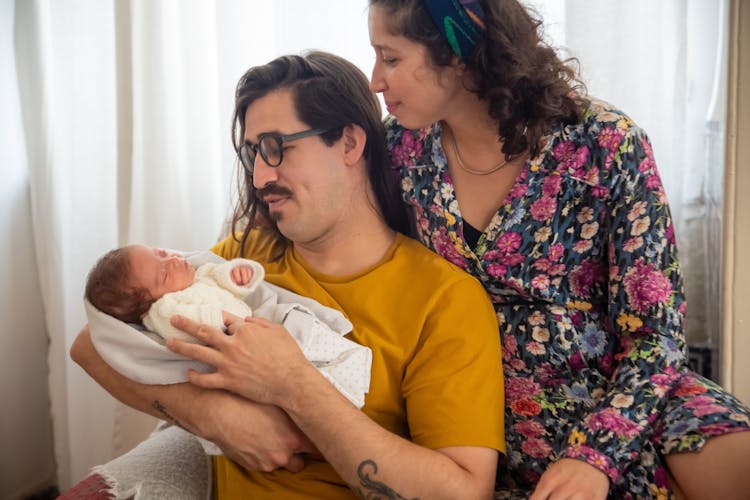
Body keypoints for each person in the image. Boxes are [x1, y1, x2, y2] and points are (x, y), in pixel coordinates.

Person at [71, 51, 505, 499]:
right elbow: (92, 343)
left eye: (278, 148)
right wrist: (216, 417)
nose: (260, 177)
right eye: (253, 153)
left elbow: (463, 493)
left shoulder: (444, 300)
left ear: (350, 144)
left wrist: (293, 383)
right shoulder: (243, 259)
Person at [367, 0, 750, 498]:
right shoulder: (396, 151)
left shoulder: (607, 143)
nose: (375, 80)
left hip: (629, 399)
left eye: (390, 58)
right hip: (482, 419)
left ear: (457, 53)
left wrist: (596, 455)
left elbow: (658, 336)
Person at [83, 244, 372, 409]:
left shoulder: (198, 275)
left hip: (260, 329)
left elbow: (223, 278)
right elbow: (183, 328)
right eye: (162, 273)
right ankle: (342, 393)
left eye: (161, 253)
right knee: (312, 364)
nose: (173, 260)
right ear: (147, 303)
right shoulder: (163, 310)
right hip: (243, 342)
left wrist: (238, 275)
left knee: (321, 349)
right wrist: (218, 319)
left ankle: (345, 385)